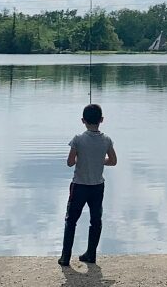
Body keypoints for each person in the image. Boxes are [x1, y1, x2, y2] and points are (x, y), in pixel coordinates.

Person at [58, 103, 117, 266]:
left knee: (71, 221)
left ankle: (65, 257)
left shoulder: (78, 139)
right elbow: (113, 161)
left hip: (79, 186)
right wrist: (99, 160)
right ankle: (91, 254)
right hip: (97, 187)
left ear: (83, 120)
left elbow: (70, 162)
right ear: (102, 120)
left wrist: (81, 159)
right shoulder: (107, 140)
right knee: (96, 220)